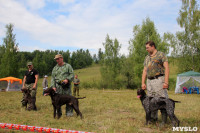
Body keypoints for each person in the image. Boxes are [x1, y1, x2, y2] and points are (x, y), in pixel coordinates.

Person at [141, 41, 169, 125]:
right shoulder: (147, 57)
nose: (146, 49)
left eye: (147, 47)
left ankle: (164, 120)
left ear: (152, 46)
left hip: (159, 80)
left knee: (162, 100)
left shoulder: (161, 55)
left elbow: (167, 68)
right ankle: (153, 118)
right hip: (149, 81)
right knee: (151, 101)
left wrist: (166, 82)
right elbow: (145, 70)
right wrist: (143, 83)